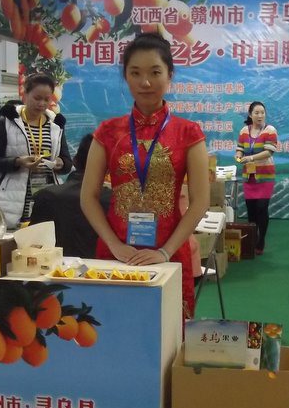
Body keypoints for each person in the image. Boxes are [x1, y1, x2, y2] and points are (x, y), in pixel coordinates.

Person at [80, 33, 209, 318]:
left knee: (168, 330)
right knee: (112, 327)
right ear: (125, 76)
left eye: (155, 72)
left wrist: (165, 251)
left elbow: (200, 201)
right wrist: (115, 245)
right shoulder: (107, 132)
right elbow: (88, 197)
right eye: (135, 73)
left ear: (170, 75)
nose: (145, 82)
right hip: (117, 254)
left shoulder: (189, 133)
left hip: (169, 254)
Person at [0, 74, 72, 228]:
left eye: (46, 99)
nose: (42, 104)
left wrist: (61, 163)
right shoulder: (7, 121)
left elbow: (67, 162)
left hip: (46, 196)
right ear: (25, 94)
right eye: (37, 98)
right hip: (13, 199)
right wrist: (18, 162)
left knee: (44, 237)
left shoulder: (56, 125)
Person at [30, 133, 112, 258]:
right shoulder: (114, 201)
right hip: (101, 268)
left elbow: (32, 247)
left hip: (53, 267)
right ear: (109, 167)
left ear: (75, 160)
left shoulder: (45, 196)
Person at [235, 101, 278, 256]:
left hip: (265, 176)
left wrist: (251, 158)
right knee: (251, 211)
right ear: (250, 115)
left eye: (262, 113)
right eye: (257, 113)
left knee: (262, 208)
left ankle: (261, 241)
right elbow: (240, 148)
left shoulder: (270, 130)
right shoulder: (244, 131)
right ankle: (252, 240)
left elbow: (269, 152)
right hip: (249, 176)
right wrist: (238, 156)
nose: (260, 116)